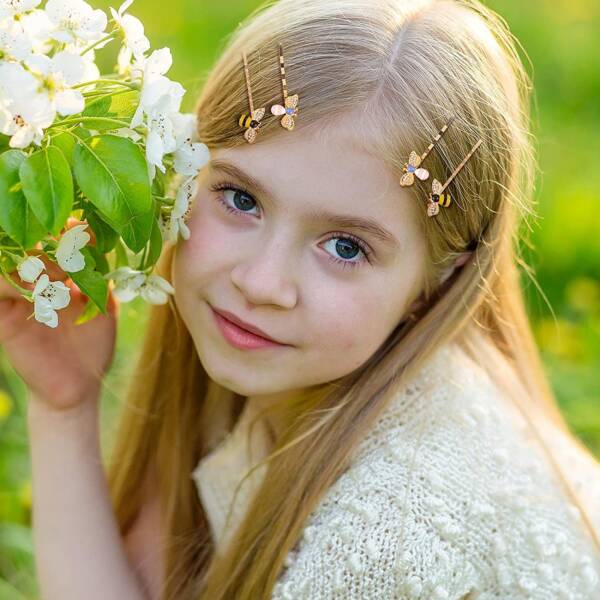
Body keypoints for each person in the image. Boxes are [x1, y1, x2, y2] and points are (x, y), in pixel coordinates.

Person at [0, 0, 599, 598]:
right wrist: (64, 405)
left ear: (439, 280)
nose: (262, 283)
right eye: (240, 199)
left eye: (344, 246)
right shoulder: (290, 384)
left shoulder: (389, 539)